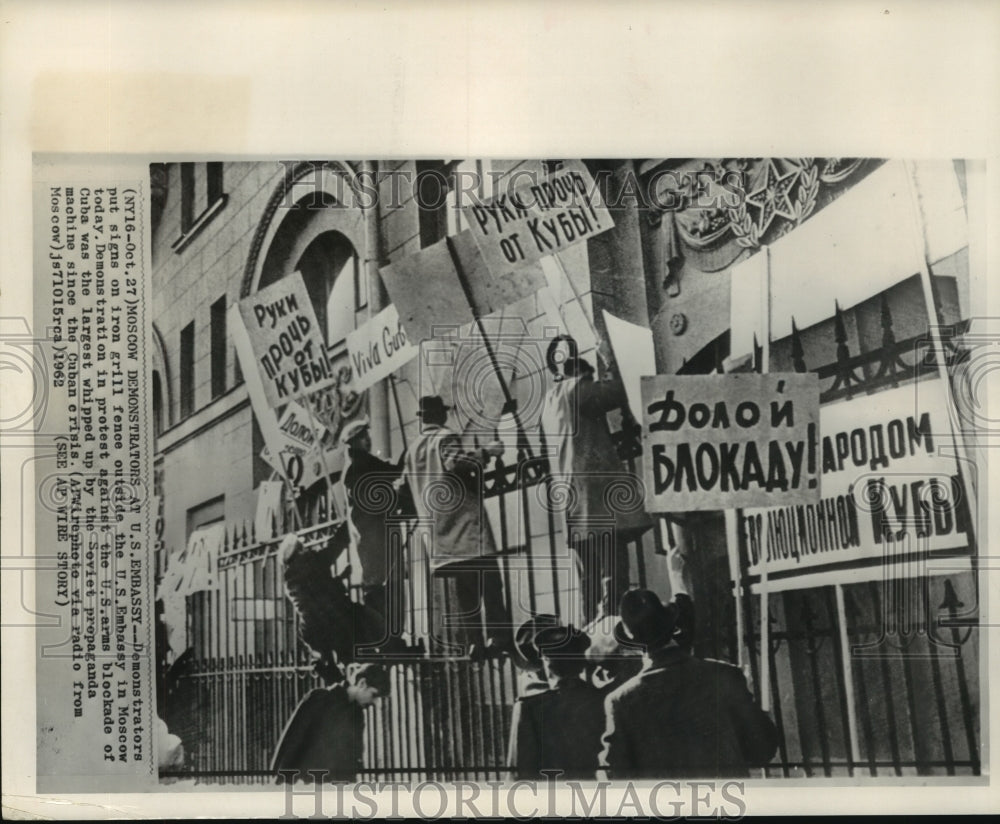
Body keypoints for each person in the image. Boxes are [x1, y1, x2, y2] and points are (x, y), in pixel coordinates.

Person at [598, 589, 779, 779]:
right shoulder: (724, 676)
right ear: (672, 627)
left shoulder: (622, 701)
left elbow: (613, 776)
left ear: (633, 644)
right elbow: (763, 748)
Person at [541, 336, 652, 626]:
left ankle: (591, 627)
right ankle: (612, 622)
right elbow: (616, 391)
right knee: (613, 566)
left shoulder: (549, 403)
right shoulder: (575, 390)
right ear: (581, 374)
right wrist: (611, 361)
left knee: (588, 574)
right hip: (597, 498)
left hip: (572, 502)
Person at [403, 395, 512, 658]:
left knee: (465, 591)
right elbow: (455, 463)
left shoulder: (412, 449)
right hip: (465, 525)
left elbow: (407, 489)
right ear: (441, 415)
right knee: (491, 584)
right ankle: (499, 638)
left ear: (422, 418)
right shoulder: (444, 438)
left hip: (440, 533)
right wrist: (487, 452)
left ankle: (474, 642)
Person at [280, 529, 384, 682]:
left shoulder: (288, 580)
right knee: (376, 627)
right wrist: (348, 523)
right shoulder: (311, 561)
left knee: (348, 661)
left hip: (314, 630)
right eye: (303, 547)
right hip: (338, 620)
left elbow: (317, 592)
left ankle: (348, 685)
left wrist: (340, 577)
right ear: (300, 550)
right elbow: (335, 546)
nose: (307, 549)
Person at [509, 622, 608, 780]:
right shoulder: (606, 701)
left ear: (546, 663)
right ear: (582, 663)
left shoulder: (529, 709)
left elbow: (520, 775)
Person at [341, 418, 408, 644]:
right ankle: (392, 636)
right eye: (363, 437)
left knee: (374, 585)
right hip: (381, 534)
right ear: (355, 443)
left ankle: (380, 637)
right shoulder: (365, 464)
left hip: (366, 538)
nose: (368, 440)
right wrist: (407, 455)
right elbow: (395, 473)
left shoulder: (351, 470)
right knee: (391, 583)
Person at [271, 662, 390, 784]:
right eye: (374, 695)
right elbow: (292, 742)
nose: (375, 702)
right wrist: (280, 781)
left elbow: (353, 758)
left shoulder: (357, 715)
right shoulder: (320, 699)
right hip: (305, 785)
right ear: (362, 683)